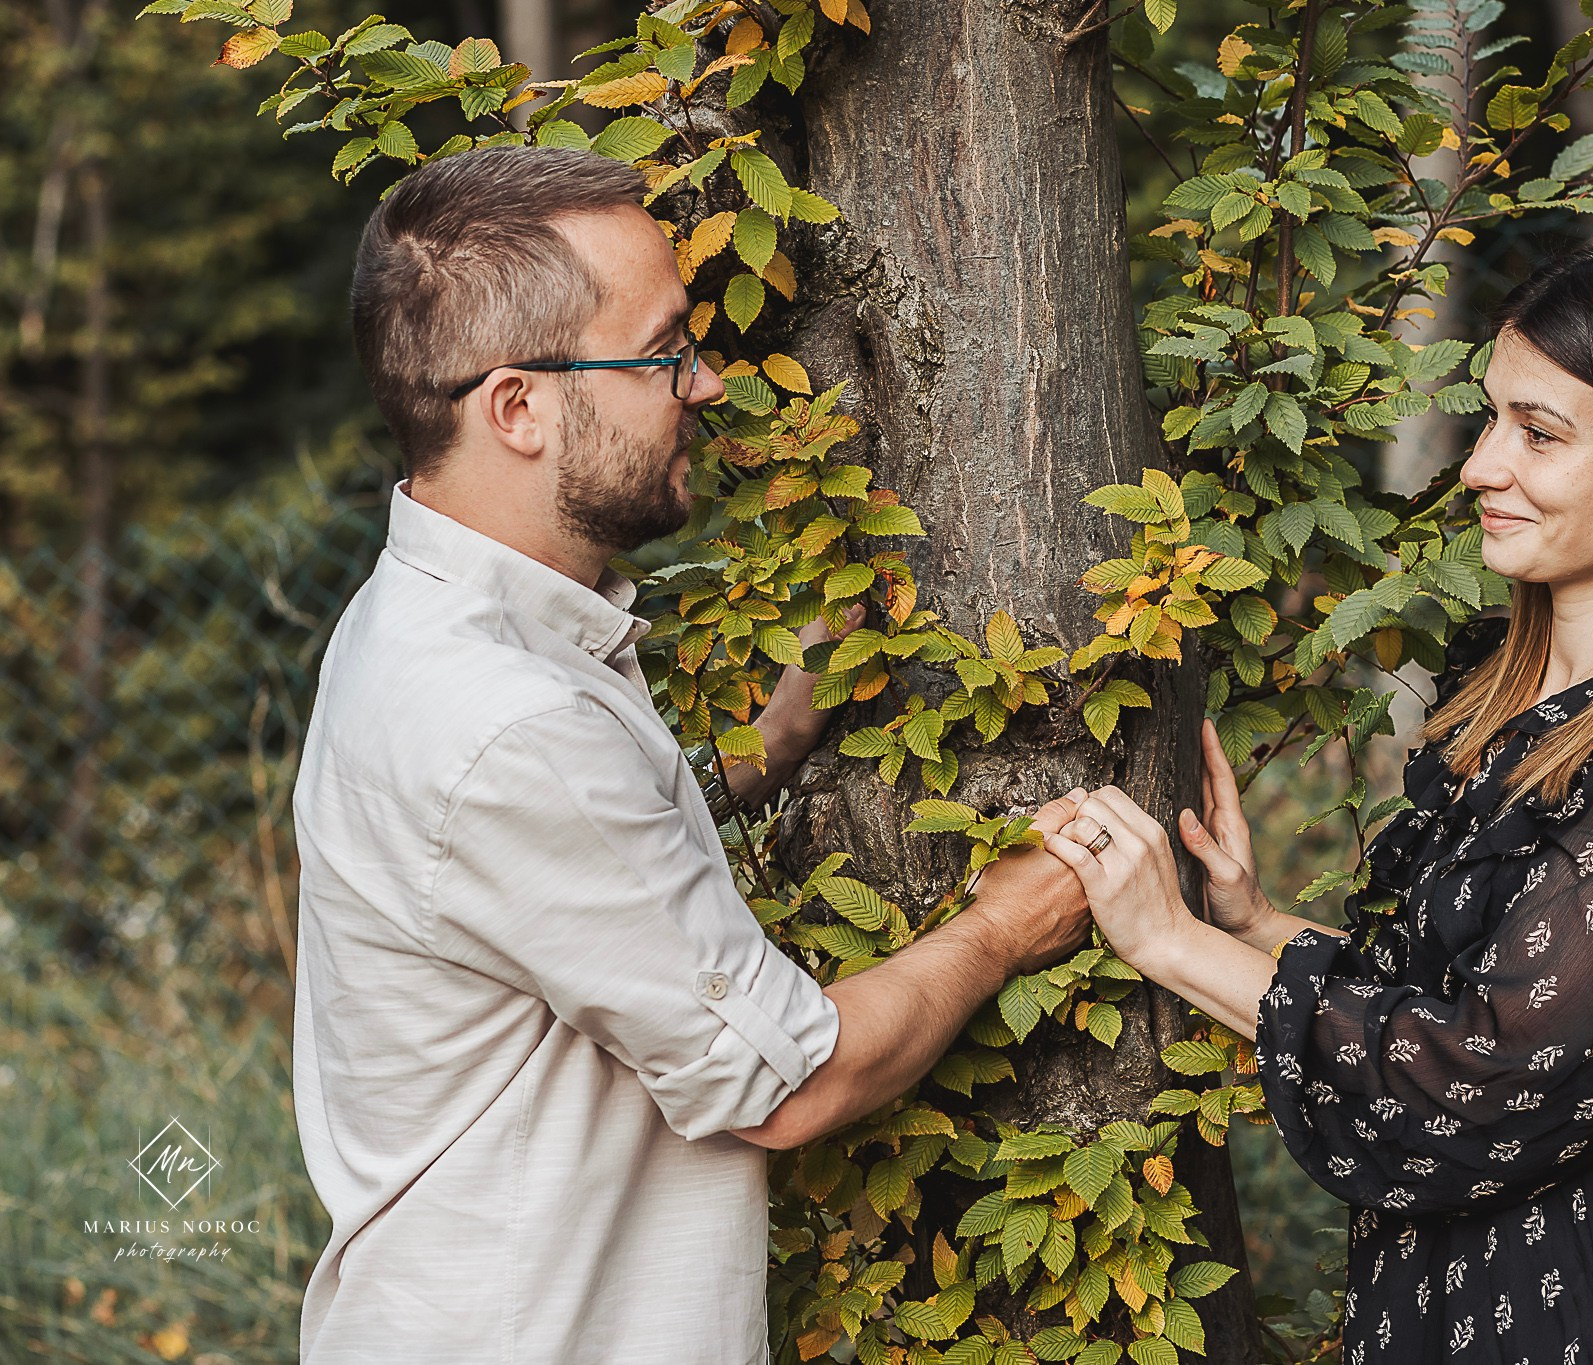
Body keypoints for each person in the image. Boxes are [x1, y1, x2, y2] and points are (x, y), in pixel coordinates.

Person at [291, 146, 1088, 1363]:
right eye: (663, 352)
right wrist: (1003, 928)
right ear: (519, 407)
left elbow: (574, 889)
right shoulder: (507, 719)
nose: (704, 385)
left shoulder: (434, 615)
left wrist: (775, 737)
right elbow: (785, 1086)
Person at [1045, 239, 1593, 1363]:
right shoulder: (1515, 705)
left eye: (1537, 433)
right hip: (1440, 1297)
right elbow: (1456, 1004)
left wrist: (1169, 944)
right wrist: (1255, 923)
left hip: (1571, 1309)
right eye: (1487, 422)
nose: (1478, 467)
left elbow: (1478, 1082)